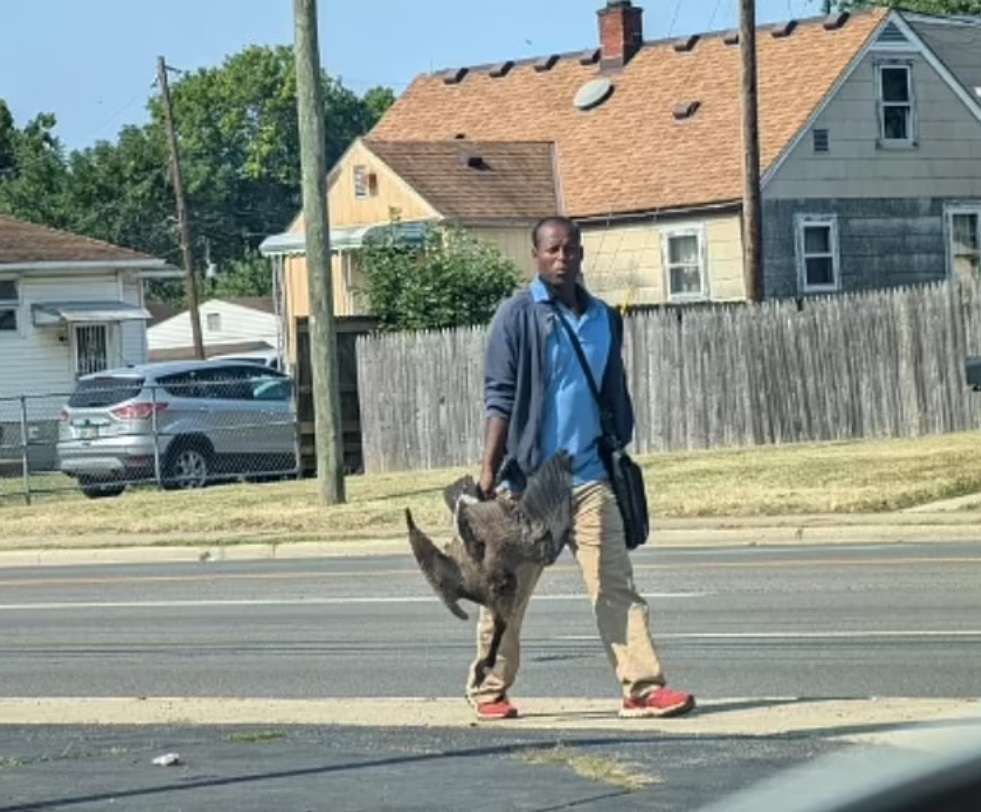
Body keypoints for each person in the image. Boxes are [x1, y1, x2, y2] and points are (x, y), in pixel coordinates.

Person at [465, 215, 696, 722]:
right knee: (508, 594)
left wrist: (618, 443)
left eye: (570, 249)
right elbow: (499, 397)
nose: (562, 258)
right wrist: (488, 470)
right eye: (552, 250)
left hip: (590, 478)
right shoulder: (516, 316)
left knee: (616, 585)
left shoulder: (603, 319)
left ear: (582, 254)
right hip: (530, 485)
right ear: (536, 255)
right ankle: (489, 690)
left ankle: (642, 688)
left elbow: (613, 389)